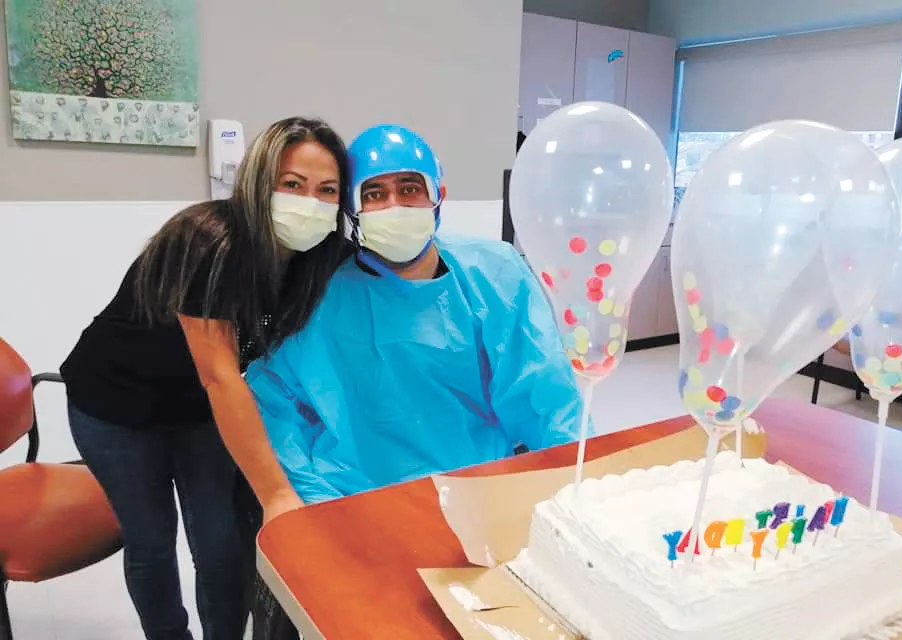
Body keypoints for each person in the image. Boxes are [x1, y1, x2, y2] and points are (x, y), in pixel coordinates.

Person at [61, 117, 349, 639]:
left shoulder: (319, 257)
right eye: (292, 184)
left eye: (326, 190)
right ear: (260, 182)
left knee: (219, 543)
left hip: (201, 409)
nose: (310, 201)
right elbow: (220, 375)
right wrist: (277, 494)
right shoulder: (205, 240)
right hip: (116, 406)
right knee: (150, 541)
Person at [246, 124, 586, 505]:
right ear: (352, 209)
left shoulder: (494, 275)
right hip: (354, 500)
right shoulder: (322, 294)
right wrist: (315, 505)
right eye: (374, 193)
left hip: (476, 491)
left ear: (438, 195)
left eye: (410, 188)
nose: (394, 204)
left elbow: (548, 397)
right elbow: (274, 399)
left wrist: (566, 492)